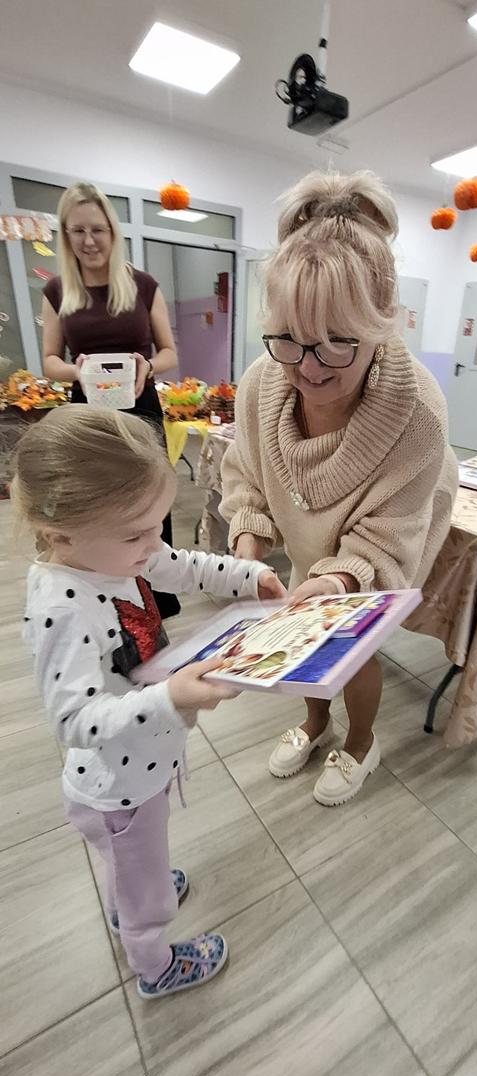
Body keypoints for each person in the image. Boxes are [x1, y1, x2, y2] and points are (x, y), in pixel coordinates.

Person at [13, 406, 285, 999]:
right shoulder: (64, 606)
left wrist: (247, 576)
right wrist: (169, 698)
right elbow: (72, 720)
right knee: (146, 888)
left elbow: (181, 565)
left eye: (156, 525)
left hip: (138, 768)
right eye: (137, 533)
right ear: (61, 533)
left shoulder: (113, 553)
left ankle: (127, 898)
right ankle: (154, 962)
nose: (153, 543)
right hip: (120, 789)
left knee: (129, 867)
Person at [221, 170, 459, 807]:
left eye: (334, 345)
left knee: (352, 646)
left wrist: (335, 585)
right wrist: (247, 545)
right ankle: (314, 722)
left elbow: (385, 538)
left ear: (381, 326)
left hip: (383, 546)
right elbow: (247, 470)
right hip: (310, 536)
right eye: (289, 340)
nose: (307, 367)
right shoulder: (262, 381)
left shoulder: (418, 414)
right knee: (304, 641)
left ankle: (360, 742)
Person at [41, 180, 180, 619]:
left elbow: (169, 353)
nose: (88, 241)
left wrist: (147, 366)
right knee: (96, 504)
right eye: (77, 231)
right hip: (88, 416)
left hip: (141, 411)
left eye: (97, 230)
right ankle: (106, 597)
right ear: (66, 235)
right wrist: (77, 371)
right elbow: (50, 361)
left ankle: (156, 598)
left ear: (113, 232)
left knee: (149, 501)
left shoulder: (143, 285)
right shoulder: (58, 291)